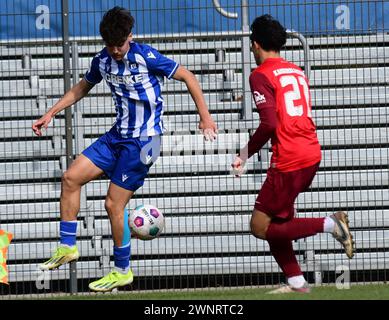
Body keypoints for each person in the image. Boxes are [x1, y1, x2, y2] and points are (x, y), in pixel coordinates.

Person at [32, 6, 217, 292]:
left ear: (131, 36)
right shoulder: (103, 60)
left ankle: (122, 270)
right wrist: (51, 112)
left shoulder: (146, 56)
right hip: (117, 136)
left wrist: (205, 117)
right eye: (110, 45)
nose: (116, 50)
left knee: (112, 204)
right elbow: (82, 87)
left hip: (145, 142)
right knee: (70, 178)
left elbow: (188, 76)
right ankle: (67, 247)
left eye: (120, 44)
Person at [231, 14, 355, 294]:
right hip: (310, 152)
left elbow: (269, 124)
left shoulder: (260, 75)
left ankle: (331, 224)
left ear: (255, 44)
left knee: (259, 226)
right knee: (280, 221)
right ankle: (297, 282)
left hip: (289, 158)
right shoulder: (296, 70)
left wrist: (244, 154)